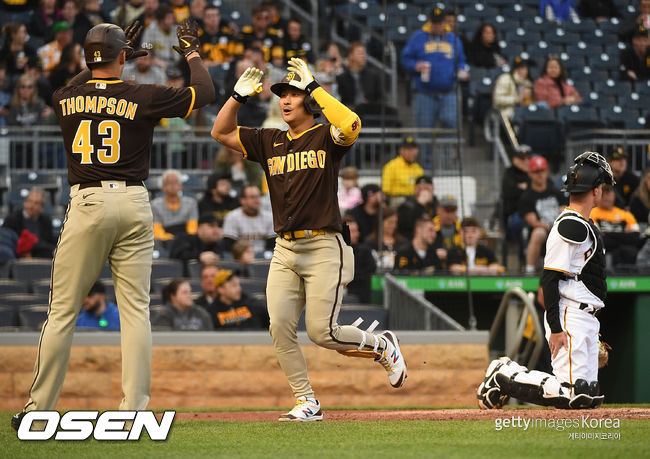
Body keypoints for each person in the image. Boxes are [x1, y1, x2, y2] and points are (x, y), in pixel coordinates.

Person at [11, 19, 215, 431]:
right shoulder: (142, 94)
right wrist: (191, 52)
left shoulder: (65, 96)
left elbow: (86, 80)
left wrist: (108, 55)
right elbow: (205, 93)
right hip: (134, 201)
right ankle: (135, 409)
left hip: (87, 202)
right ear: (124, 57)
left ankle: (39, 410)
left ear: (87, 59)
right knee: (136, 311)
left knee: (62, 311)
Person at [210, 56, 407, 421]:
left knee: (321, 332)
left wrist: (316, 86)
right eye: (281, 94)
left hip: (323, 245)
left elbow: (351, 122)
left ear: (310, 103)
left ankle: (382, 346)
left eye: (293, 94)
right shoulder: (269, 140)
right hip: (285, 248)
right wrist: (237, 97)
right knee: (279, 327)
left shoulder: (324, 136)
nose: (285, 100)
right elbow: (220, 133)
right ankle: (307, 401)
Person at [477, 152, 614, 410]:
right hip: (568, 315)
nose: (603, 191)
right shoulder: (570, 225)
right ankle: (504, 374)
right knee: (572, 395)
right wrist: (556, 327)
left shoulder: (584, 223)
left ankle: (506, 376)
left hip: (585, 317)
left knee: (589, 396)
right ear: (595, 190)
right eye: (602, 186)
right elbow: (549, 278)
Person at [401, 7, 468, 132]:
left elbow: (461, 60)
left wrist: (461, 69)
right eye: (434, 23)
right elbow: (405, 59)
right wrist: (415, 65)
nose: (437, 26)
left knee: (450, 128)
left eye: (440, 23)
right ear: (429, 21)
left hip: (449, 92)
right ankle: (425, 153)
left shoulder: (453, 38)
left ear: (445, 23)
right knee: (424, 131)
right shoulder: (418, 37)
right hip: (424, 93)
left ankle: (447, 153)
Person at [518, 156, 567, 274]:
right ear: (530, 174)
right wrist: (550, 227)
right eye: (536, 172)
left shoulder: (557, 192)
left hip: (558, 227)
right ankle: (530, 270)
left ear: (547, 171)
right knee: (538, 233)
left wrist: (558, 226)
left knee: (569, 232)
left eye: (542, 171)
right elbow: (533, 221)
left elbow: (564, 211)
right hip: (542, 230)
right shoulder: (526, 197)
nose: (540, 175)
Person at [589, 184, 641, 267]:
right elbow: (599, 239)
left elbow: (635, 237)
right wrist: (623, 235)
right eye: (603, 193)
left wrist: (607, 235)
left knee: (630, 251)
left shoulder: (625, 215)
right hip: (602, 252)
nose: (606, 196)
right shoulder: (591, 213)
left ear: (614, 195)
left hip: (624, 254)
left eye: (609, 193)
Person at [499, 145, 532, 269]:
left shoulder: (535, 172)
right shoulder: (509, 173)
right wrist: (526, 189)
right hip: (515, 215)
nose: (525, 162)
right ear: (514, 159)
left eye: (528, 158)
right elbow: (508, 192)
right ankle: (523, 262)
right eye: (522, 158)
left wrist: (523, 188)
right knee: (517, 225)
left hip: (536, 215)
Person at [2, 187, 57, 258]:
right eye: (29, 201)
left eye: (36, 203)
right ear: (25, 203)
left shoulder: (46, 221)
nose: (31, 206)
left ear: (42, 208)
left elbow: (48, 243)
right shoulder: (12, 219)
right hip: (17, 259)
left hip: (40, 259)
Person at [222, 184, 275, 255]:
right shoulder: (232, 217)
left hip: (264, 257)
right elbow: (229, 246)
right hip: (239, 257)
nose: (257, 200)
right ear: (242, 200)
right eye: (252, 197)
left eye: (258, 196)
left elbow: (272, 245)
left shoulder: (269, 217)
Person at [151, 169, 199, 246]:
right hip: (164, 243)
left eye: (176, 182)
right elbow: (157, 231)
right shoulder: (155, 205)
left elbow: (192, 229)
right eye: (169, 183)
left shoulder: (191, 203)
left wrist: (185, 239)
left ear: (181, 186)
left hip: (187, 241)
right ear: (163, 187)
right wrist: (172, 240)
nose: (172, 186)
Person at [336, 41, 381, 110]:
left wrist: (370, 104)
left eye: (364, 53)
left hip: (370, 113)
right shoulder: (342, 78)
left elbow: (381, 98)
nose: (363, 56)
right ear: (351, 56)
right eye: (360, 53)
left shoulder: (373, 76)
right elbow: (340, 99)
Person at [381, 136, 424, 206]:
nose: (411, 152)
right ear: (401, 150)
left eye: (413, 149)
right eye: (408, 149)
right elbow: (385, 190)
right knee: (403, 203)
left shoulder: (418, 168)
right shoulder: (391, 166)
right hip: (397, 198)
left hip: (414, 198)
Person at [342, 214, 375, 304]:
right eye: (352, 231)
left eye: (357, 230)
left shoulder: (365, 251)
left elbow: (370, 270)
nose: (357, 234)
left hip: (361, 300)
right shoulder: (334, 252)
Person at [397, 175, 438, 241]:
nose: (423, 192)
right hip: (412, 241)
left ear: (433, 189)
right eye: (420, 189)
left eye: (426, 189)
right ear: (415, 190)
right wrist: (420, 204)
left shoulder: (439, 206)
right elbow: (405, 226)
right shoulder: (406, 206)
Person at [140, 5, 179, 70]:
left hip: (177, 65)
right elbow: (144, 49)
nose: (172, 21)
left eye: (173, 18)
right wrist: (154, 60)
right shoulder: (150, 30)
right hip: (157, 65)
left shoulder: (177, 30)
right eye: (169, 18)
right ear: (161, 20)